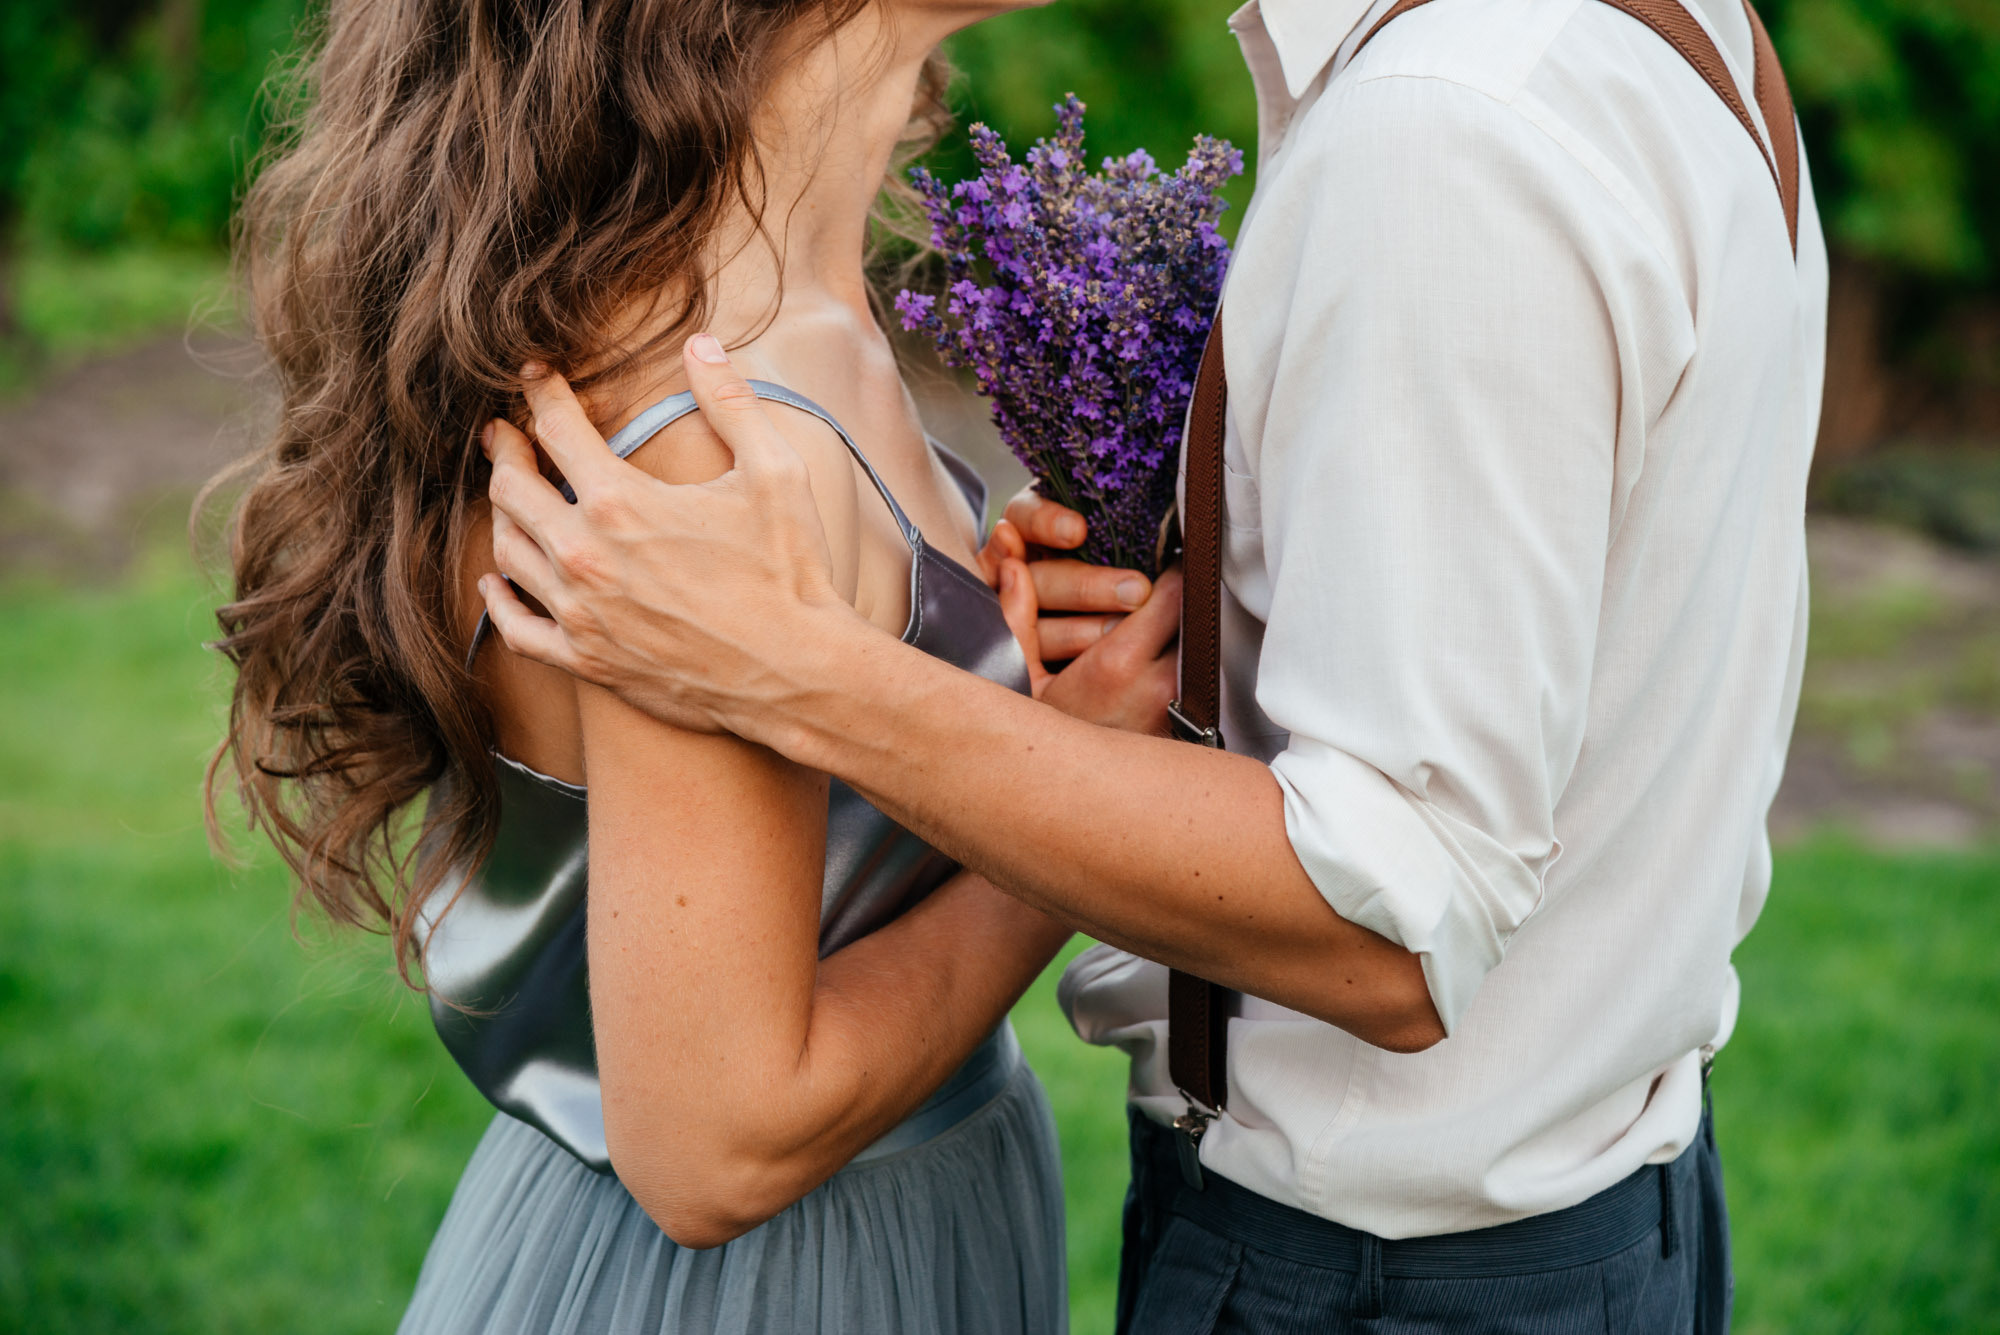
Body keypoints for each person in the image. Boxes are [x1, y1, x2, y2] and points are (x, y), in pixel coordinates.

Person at [474, 0, 1830, 1329]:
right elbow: (713, 1136)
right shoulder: (1670, 40)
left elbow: (1395, 918)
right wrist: (1054, 719)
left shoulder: (1446, 126)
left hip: (1389, 1274)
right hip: (768, 1284)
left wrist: (820, 677)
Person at [205, 0, 1180, 1329]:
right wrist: (1077, 802)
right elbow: (719, 1145)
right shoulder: (702, 423)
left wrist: (988, 672)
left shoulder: (789, 312)